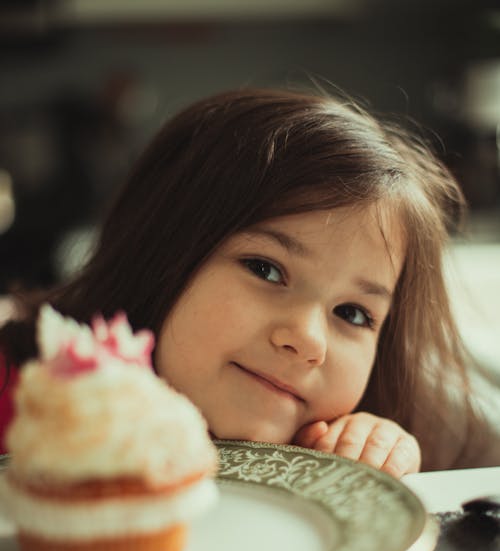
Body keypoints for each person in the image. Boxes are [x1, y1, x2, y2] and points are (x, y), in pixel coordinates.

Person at [0, 87, 498, 475]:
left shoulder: (334, 447)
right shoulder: (17, 392)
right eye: (266, 269)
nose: (307, 339)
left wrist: (369, 456)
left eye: (353, 313)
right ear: (160, 247)